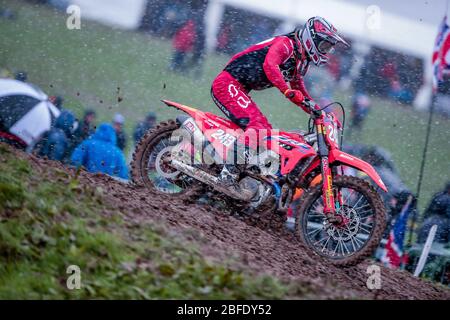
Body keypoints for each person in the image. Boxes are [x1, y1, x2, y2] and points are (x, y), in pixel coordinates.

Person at [210, 16, 349, 179]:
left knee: (266, 132)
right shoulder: (287, 44)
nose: (326, 51)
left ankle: (241, 171)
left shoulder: (300, 60)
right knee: (256, 127)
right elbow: (270, 65)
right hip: (227, 83)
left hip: (239, 87)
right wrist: (286, 91)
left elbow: (299, 90)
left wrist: (322, 113)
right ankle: (227, 175)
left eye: (329, 48)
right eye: (324, 45)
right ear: (312, 39)